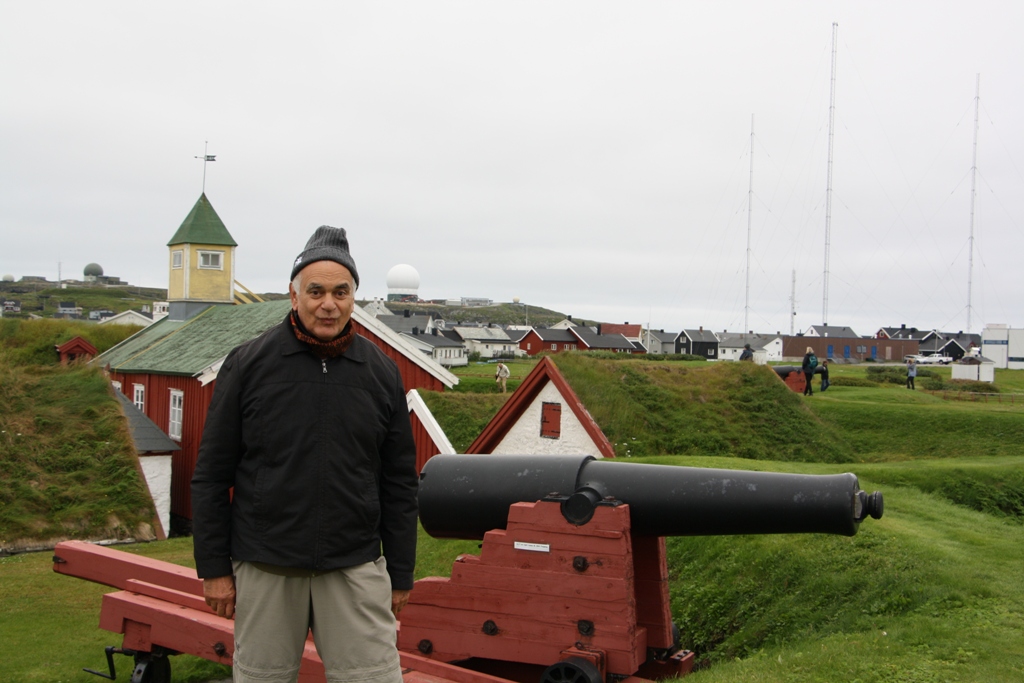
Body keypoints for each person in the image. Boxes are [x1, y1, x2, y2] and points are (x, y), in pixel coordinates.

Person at [191, 226, 418, 683]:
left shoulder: (380, 373)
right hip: (266, 567)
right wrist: (214, 569)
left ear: (355, 296)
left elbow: (399, 482)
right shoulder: (249, 364)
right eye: (315, 291)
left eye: (341, 291)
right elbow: (211, 475)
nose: (328, 304)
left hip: (354, 568)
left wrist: (400, 572)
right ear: (293, 296)